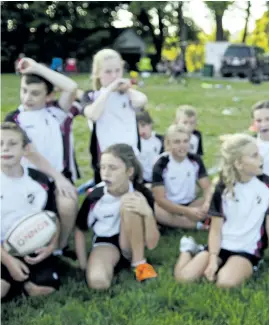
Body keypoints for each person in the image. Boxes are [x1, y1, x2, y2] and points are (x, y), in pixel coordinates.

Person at [174, 133, 269, 288]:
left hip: (247, 250)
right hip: (220, 245)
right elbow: (216, 229)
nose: (261, 158)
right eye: (254, 155)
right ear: (238, 164)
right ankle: (187, 249)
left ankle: (241, 266)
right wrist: (212, 259)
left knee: (225, 283)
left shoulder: (268, 186)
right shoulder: (222, 188)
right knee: (184, 278)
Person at [4, 57, 79, 256]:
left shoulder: (57, 112)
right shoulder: (15, 118)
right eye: (24, 91)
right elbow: (32, 154)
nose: (27, 97)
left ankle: (60, 247)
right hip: (32, 178)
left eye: (35, 93)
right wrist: (58, 178)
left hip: (59, 176)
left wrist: (37, 67)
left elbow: (71, 87)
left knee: (68, 203)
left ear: (49, 95)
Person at [74, 143, 159, 288]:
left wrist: (148, 214)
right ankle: (109, 266)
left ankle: (139, 264)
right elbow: (80, 229)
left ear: (129, 171)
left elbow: (152, 244)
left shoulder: (142, 193)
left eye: (113, 168)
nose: (106, 173)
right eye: (102, 167)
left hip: (132, 244)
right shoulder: (95, 196)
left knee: (129, 201)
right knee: (98, 283)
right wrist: (83, 264)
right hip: (106, 244)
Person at [1, 123, 61, 299]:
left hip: (32, 246)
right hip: (2, 250)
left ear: (25, 149)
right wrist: (9, 261)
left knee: (44, 290)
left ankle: (20, 284)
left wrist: (51, 246)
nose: (5, 148)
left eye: (12, 144)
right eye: (0, 143)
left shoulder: (39, 181)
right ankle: (16, 283)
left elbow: (52, 218)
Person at [81, 49, 148, 184]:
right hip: (105, 158)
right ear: (98, 73)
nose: (114, 76)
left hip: (131, 154)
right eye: (108, 72)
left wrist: (128, 89)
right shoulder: (92, 96)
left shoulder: (128, 96)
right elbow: (93, 114)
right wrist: (109, 90)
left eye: (117, 71)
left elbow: (142, 101)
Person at [151, 124, 212, 230]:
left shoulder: (195, 160)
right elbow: (160, 199)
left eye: (185, 141)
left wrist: (206, 203)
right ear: (168, 144)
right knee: (156, 208)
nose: (182, 145)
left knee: (214, 199)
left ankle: (176, 224)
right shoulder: (161, 163)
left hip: (191, 204)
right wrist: (186, 212)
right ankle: (197, 225)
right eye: (177, 142)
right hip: (170, 207)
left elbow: (207, 187)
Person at [136, 110, 164, 185]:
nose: (141, 130)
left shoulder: (160, 140)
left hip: (158, 178)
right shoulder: (135, 143)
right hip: (141, 181)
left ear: (150, 124)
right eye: (137, 127)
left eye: (143, 125)